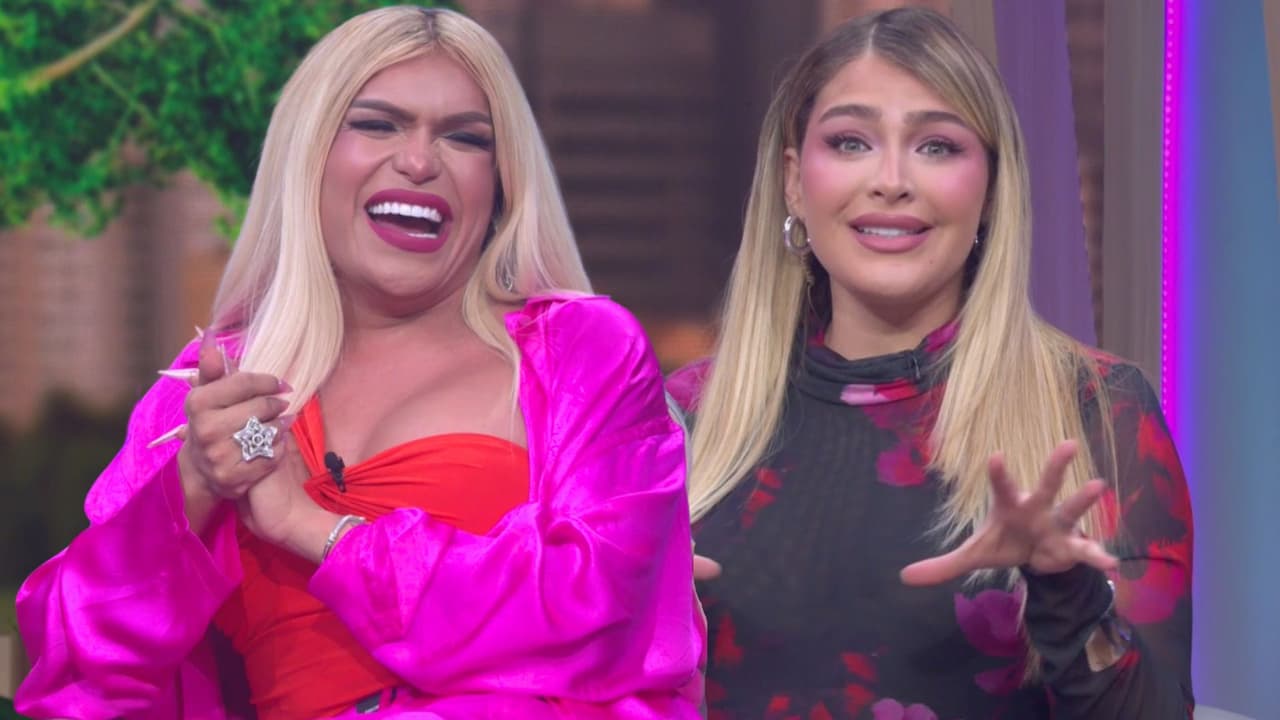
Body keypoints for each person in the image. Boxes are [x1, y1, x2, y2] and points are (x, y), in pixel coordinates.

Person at [15, 7, 703, 719]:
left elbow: (606, 617)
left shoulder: (580, 349)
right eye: (377, 124)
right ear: (309, 155)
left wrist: (311, 526)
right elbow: (77, 659)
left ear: (500, 183)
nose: (419, 161)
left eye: (465, 137)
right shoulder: (210, 389)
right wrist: (193, 482)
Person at [670, 7, 1193, 719]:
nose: (891, 180)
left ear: (991, 189)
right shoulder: (682, 421)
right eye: (851, 142)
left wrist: (1065, 591)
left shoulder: (1097, 409)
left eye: (937, 146)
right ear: (794, 181)